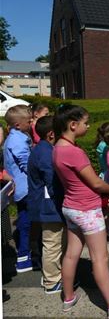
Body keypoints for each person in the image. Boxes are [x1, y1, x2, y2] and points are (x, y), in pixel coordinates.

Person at [52, 104, 109, 317]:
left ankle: (69, 298)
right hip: (87, 211)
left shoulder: (57, 148)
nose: (88, 125)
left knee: (71, 254)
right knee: (99, 258)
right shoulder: (75, 152)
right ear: (73, 125)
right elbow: (97, 184)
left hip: (71, 208)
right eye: (85, 122)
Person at [27, 116, 66, 294]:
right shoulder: (46, 153)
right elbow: (52, 181)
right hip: (49, 205)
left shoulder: (41, 149)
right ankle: (51, 281)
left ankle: (54, 276)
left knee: (53, 243)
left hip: (46, 204)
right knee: (52, 244)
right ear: (52, 134)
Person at [3, 105, 33, 273]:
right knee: (26, 221)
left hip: (21, 187)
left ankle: (25, 254)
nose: (31, 123)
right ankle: (24, 256)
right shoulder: (18, 140)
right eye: (28, 121)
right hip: (25, 187)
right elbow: (27, 164)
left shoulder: (16, 137)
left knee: (25, 219)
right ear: (17, 125)